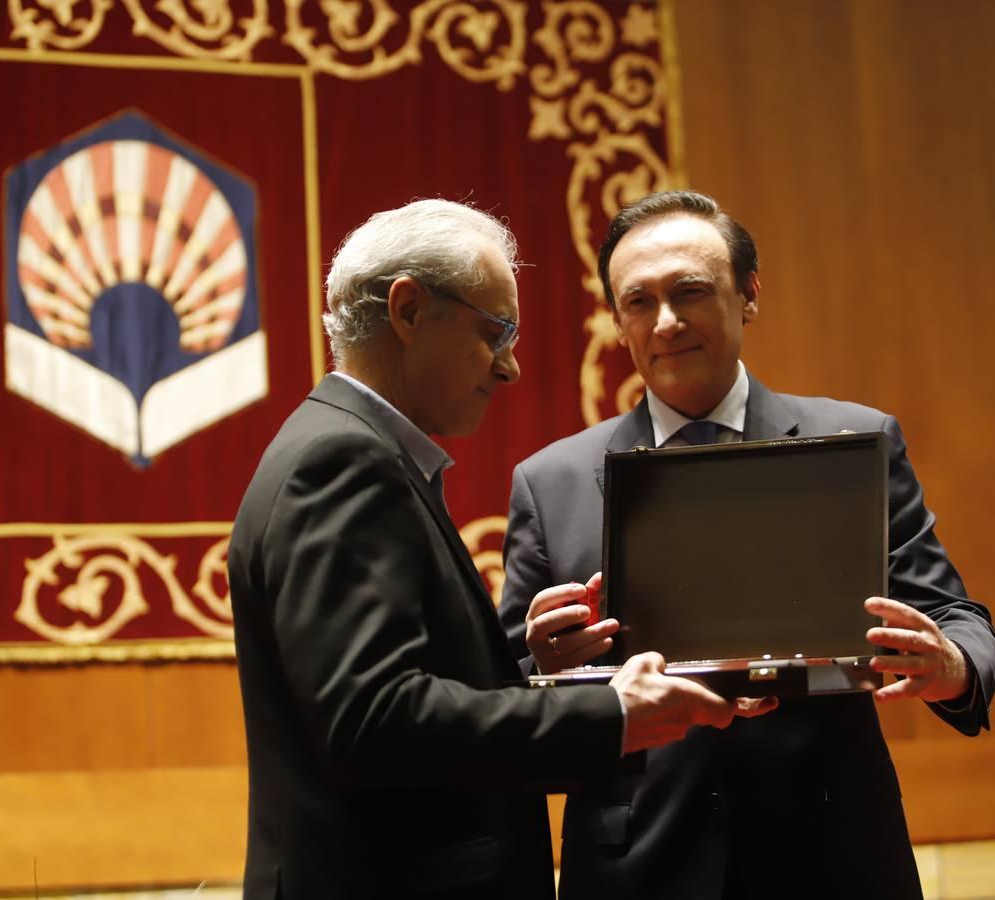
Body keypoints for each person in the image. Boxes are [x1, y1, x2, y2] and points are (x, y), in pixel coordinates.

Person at [228, 199, 775, 900]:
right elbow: (376, 722)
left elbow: (400, 697)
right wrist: (614, 712)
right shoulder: (341, 462)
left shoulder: (348, 449)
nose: (510, 367)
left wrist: (536, 672)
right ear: (408, 310)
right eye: (496, 333)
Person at [500, 190, 995, 898]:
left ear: (749, 295)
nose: (666, 321)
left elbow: (961, 624)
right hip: (638, 865)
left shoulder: (854, 442)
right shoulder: (549, 483)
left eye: (691, 291)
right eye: (638, 302)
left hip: (830, 854)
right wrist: (546, 665)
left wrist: (950, 663)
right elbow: (509, 708)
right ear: (617, 321)